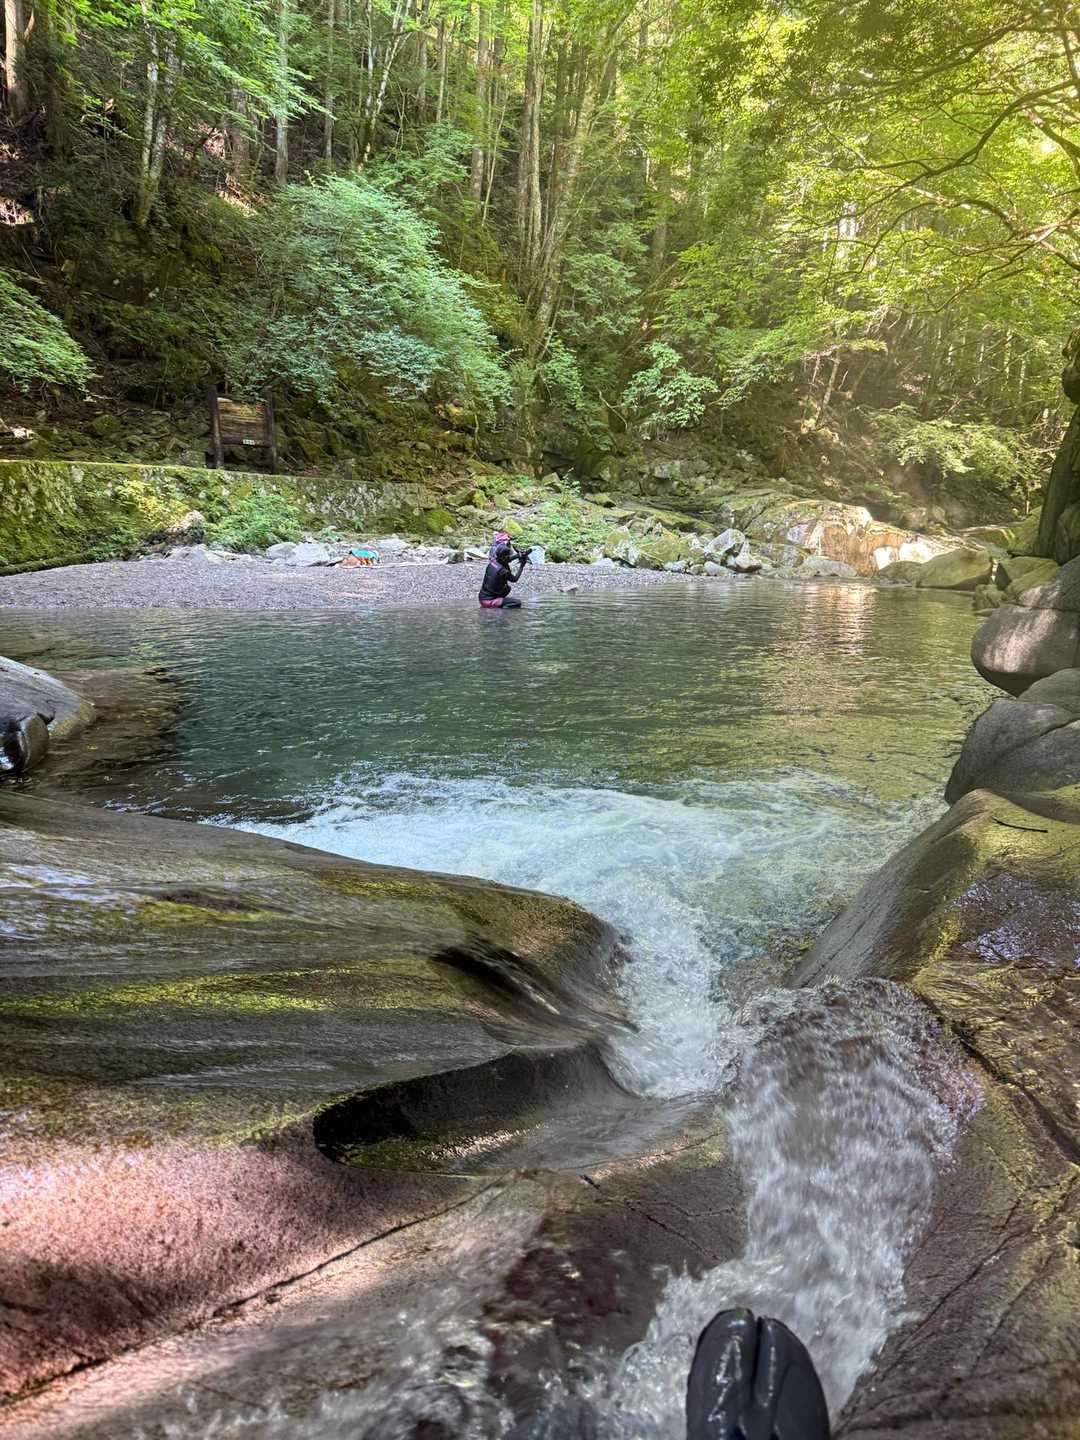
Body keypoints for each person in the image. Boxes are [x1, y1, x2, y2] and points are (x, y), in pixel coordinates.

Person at [479, 531, 530, 609]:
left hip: (482, 598)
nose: (509, 557)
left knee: (507, 588)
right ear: (505, 557)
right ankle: (500, 609)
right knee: (517, 603)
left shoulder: (493, 561)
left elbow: (506, 560)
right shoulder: (503, 571)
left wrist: (518, 555)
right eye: (508, 555)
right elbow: (514, 579)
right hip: (488, 601)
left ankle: (498, 602)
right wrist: (522, 565)